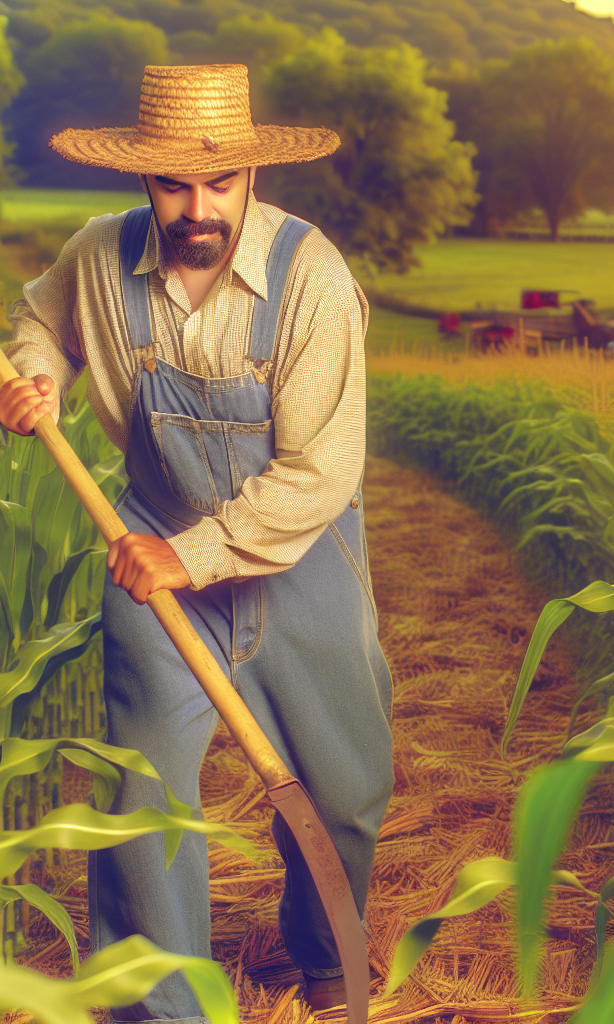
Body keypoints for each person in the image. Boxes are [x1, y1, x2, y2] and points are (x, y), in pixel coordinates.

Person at [0, 64, 394, 1021]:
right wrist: (34, 374)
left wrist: (202, 554)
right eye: (175, 184)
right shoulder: (100, 255)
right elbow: (39, 319)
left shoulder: (313, 280)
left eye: (218, 183)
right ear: (143, 181)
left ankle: (324, 953)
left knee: (342, 788)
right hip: (151, 555)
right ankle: (157, 1004)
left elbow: (319, 474)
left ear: (252, 176)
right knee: (145, 798)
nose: (197, 207)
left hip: (296, 563)